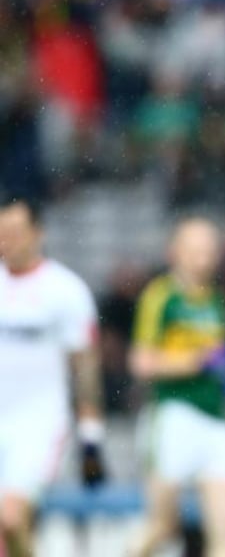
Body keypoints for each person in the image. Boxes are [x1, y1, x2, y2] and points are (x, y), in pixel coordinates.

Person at [129, 217, 225, 557]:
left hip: (218, 421)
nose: (203, 259)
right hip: (173, 416)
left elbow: (222, 358)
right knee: (162, 528)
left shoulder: (218, 302)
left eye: (209, 251)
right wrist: (196, 362)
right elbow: (141, 363)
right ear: (174, 253)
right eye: (195, 251)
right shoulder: (161, 296)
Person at [0, 197, 106, 557]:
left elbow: (86, 369)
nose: (6, 241)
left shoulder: (66, 291)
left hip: (38, 426)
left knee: (10, 518)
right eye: (1, 233)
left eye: (14, 232)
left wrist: (91, 441)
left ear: (38, 234)